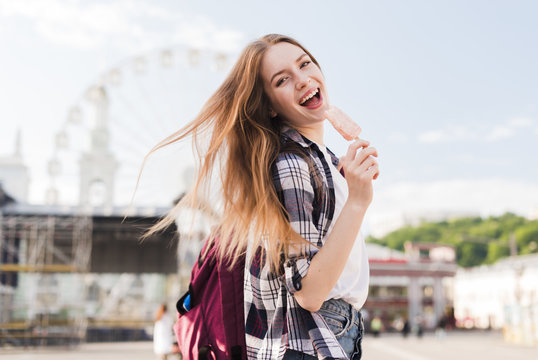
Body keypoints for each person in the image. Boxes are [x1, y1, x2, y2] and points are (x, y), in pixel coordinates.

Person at [142, 34, 379, 359]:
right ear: (268, 106)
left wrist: (351, 183)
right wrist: (357, 202)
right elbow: (308, 291)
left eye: (304, 63)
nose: (302, 79)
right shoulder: (291, 163)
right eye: (283, 79)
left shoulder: (325, 160)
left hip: (332, 330)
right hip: (312, 337)